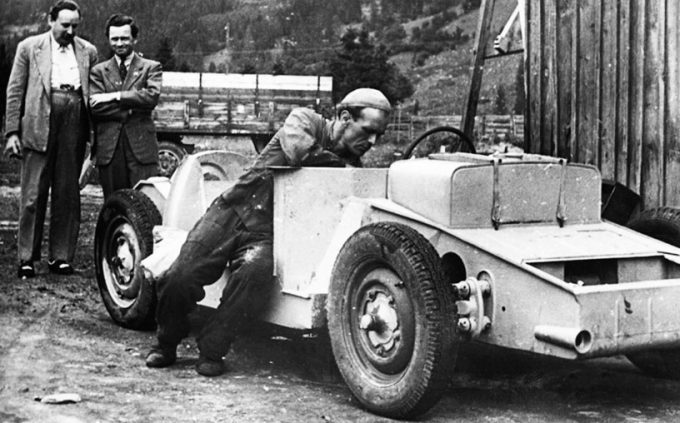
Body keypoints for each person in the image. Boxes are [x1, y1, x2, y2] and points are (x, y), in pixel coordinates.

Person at [145, 88, 392, 377]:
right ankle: (166, 342)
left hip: (269, 231)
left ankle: (212, 348)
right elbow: (299, 152)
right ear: (345, 117)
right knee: (181, 275)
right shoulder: (305, 121)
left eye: (379, 135)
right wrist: (343, 166)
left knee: (254, 277)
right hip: (232, 209)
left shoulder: (353, 166)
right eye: (368, 131)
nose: (372, 142)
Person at [3, 0, 98, 279]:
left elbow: (93, 94)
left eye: (75, 26)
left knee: (67, 192)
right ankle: (26, 258)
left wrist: (93, 136)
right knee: (33, 195)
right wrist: (12, 132)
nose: (70, 31)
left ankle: (61, 257)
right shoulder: (29, 48)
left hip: (74, 122)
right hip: (38, 124)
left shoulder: (88, 51)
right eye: (65, 25)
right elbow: (14, 91)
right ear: (50, 20)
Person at [89, 14, 162, 199]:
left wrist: (116, 96)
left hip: (142, 149)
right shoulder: (98, 71)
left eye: (124, 38)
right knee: (114, 202)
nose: (119, 43)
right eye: (114, 39)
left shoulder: (151, 67)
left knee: (145, 202)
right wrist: (131, 108)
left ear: (134, 39)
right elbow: (96, 108)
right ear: (108, 39)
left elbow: (151, 97)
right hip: (110, 150)